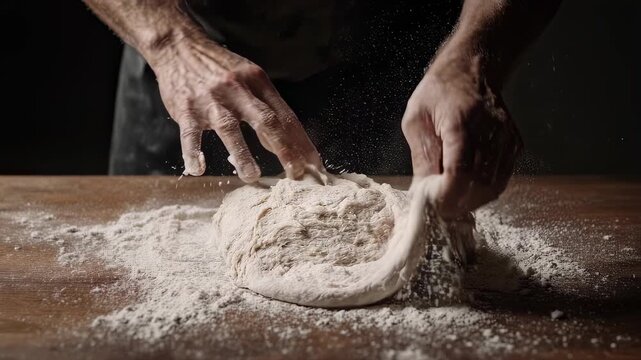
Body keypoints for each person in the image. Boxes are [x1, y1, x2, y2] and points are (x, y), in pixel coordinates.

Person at [84, 0, 560, 218]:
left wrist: (474, 57)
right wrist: (170, 43)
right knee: (159, 233)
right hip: (188, 42)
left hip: (400, 54)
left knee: (425, 221)